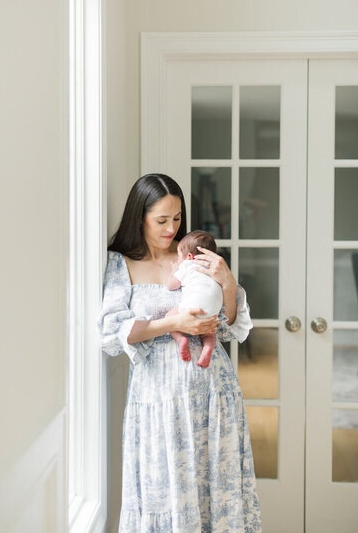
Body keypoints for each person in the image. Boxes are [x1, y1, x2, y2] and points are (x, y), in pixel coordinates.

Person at [97, 173, 262, 533]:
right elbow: (111, 334)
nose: (171, 228)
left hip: (212, 393)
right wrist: (174, 324)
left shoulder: (193, 257)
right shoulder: (120, 263)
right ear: (139, 216)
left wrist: (228, 283)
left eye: (177, 218)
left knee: (216, 493)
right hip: (157, 398)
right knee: (162, 492)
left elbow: (231, 327)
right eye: (161, 220)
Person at [165, 229, 224, 368]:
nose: (178, 259)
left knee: (169, 318)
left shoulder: (187, 265)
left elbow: (170, 286)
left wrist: (175, 269)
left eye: (179, 255)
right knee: (208, 335)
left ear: (189, 256)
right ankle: (207, 348)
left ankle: (180, 339)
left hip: (193, 306)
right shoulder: (214, 268)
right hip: (213, 310)